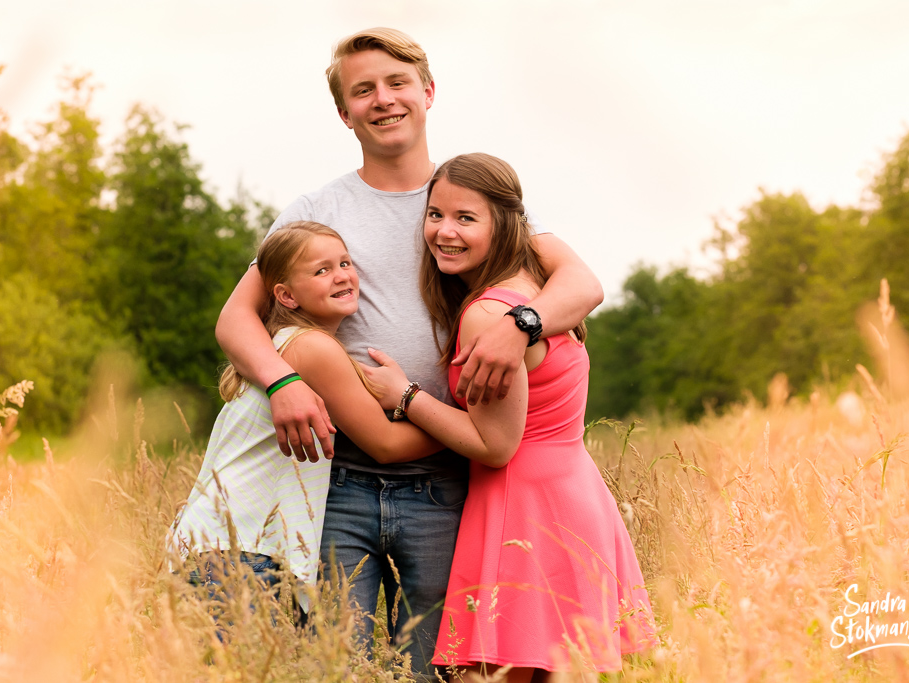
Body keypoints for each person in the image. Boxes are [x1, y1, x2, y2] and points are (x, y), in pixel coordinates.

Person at [215, 28, 603, 679]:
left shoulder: (462, 195)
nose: (382, 99)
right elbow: (236, 317)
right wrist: (282, 381)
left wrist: (521, 324)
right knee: (346, 664)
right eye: (362, 90)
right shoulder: (318, 207)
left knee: (445, 667)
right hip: (339, 483)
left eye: (397, 83)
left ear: (427, 92)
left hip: (449, 483)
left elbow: (583, 283)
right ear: (344, 112)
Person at [366, 153, 657, 680]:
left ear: (504, 222)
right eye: (435, 215)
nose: (444, 232)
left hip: (519, 502)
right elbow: (586, 285)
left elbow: (495, 444)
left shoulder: (486, 313)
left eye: (465, 218)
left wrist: (404, 395)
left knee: (488, 673)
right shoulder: (538, 276)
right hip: (573, 493)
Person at [170, 222, 440, 626]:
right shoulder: (312, 349)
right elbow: (386, 444)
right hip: (244, 553)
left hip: (219, 544)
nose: (342, 275)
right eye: (322, 270)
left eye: (345, 263)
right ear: (286, 295)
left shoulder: (279, 346)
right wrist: (469, 432)